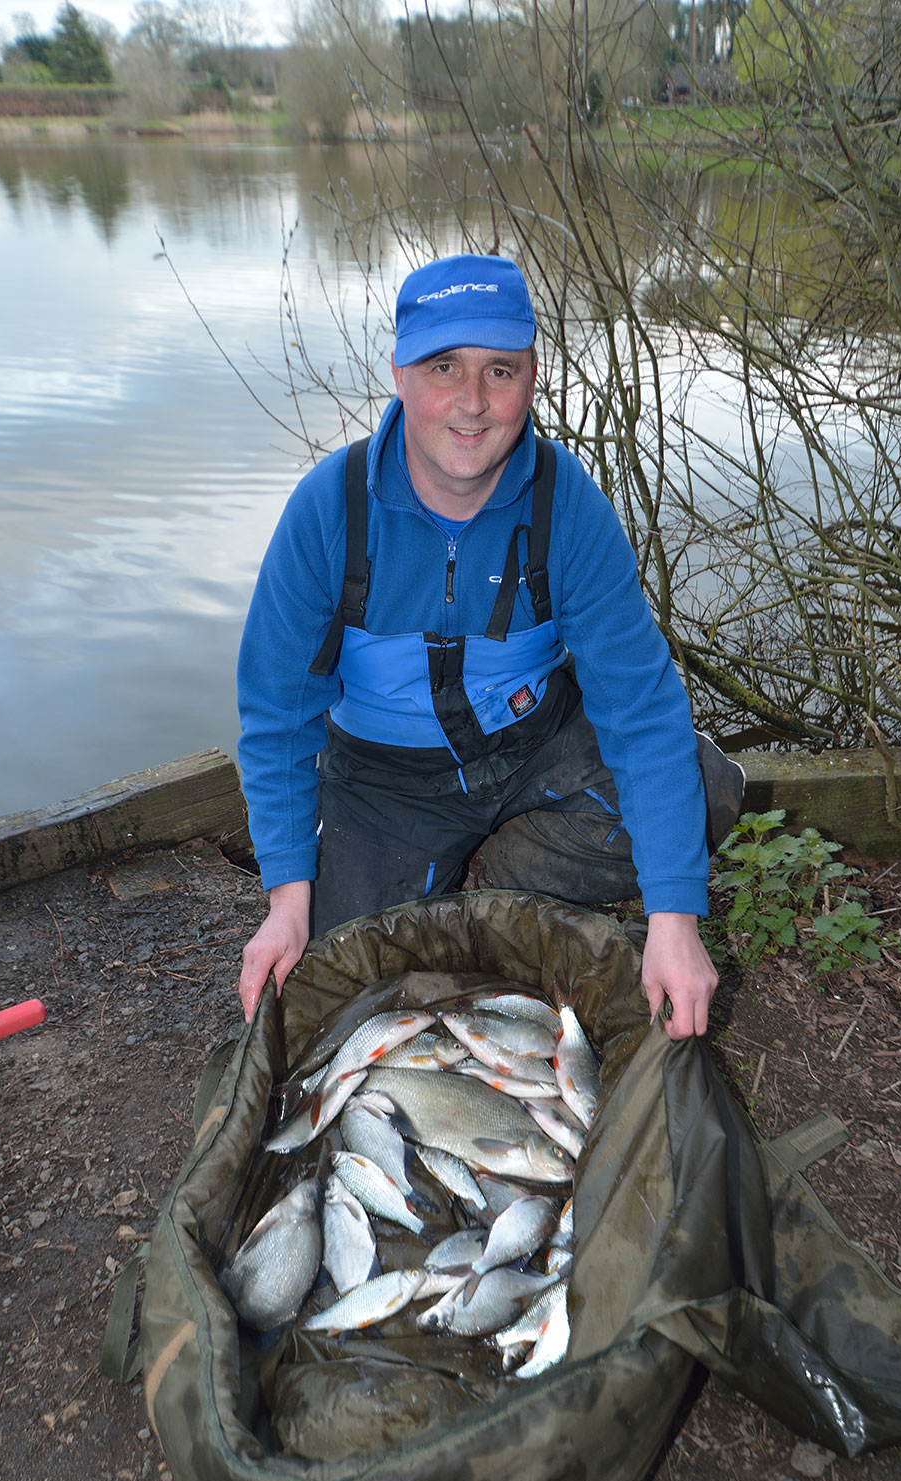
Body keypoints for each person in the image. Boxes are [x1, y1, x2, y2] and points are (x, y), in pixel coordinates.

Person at [236, 252, 741, 1036]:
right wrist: (286, 897)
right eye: (445, 367)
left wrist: (675, 917)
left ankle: (488, 875)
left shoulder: (565, 503)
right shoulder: (328, 510)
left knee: (706, 790)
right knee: (342, 981)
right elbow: (277, 715)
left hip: (533, 746)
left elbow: (639, 705)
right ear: (401, 374)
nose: (472, 403)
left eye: (500, 370)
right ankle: (443, 879)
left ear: (532, 377)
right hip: (386, 780)